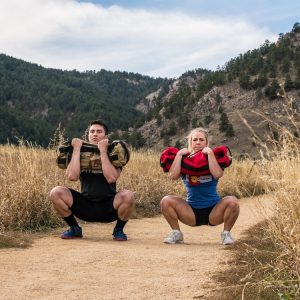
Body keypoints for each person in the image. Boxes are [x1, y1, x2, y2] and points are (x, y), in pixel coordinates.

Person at [49, 120, 134, 241]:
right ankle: (74, 228)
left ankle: (118, 230)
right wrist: (77, 149)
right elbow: (72, 177)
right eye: (92, 131)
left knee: (128, 195)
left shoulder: (114, 153)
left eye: (99, 132)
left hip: (109, 207)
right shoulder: (80, 153)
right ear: (87, 135)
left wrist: (103, 151)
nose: (95, 134)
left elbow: (111, 178)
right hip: (86, 206)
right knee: (55, 192)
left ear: (105, 136)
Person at [160, 128, 239, 245]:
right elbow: (173, 176)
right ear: (190, 143)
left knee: (233, 201)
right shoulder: (185, 160)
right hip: (191, 212)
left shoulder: (212, 158)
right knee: (166, 201)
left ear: (206, 143)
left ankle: (226, 235)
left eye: (201, 140)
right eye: (195, 140)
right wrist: (179, 154)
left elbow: (217, 174)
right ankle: (177, 234)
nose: (198, 142)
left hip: (214, 211)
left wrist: (210, 153)